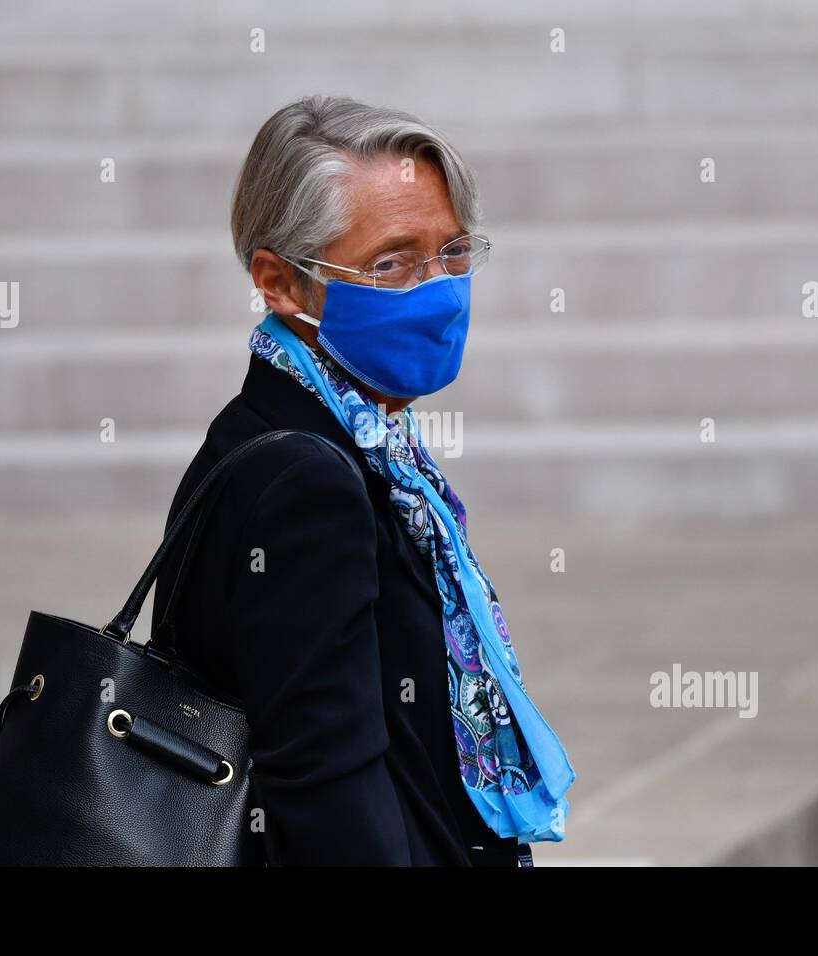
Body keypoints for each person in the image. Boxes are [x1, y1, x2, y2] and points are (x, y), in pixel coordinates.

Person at [152, 95, 574, 866]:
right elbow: (328, 792)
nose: (440, 290)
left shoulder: (361, 445)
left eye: (451, 252)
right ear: (280, 283)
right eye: (392, 263)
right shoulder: (302, 484)